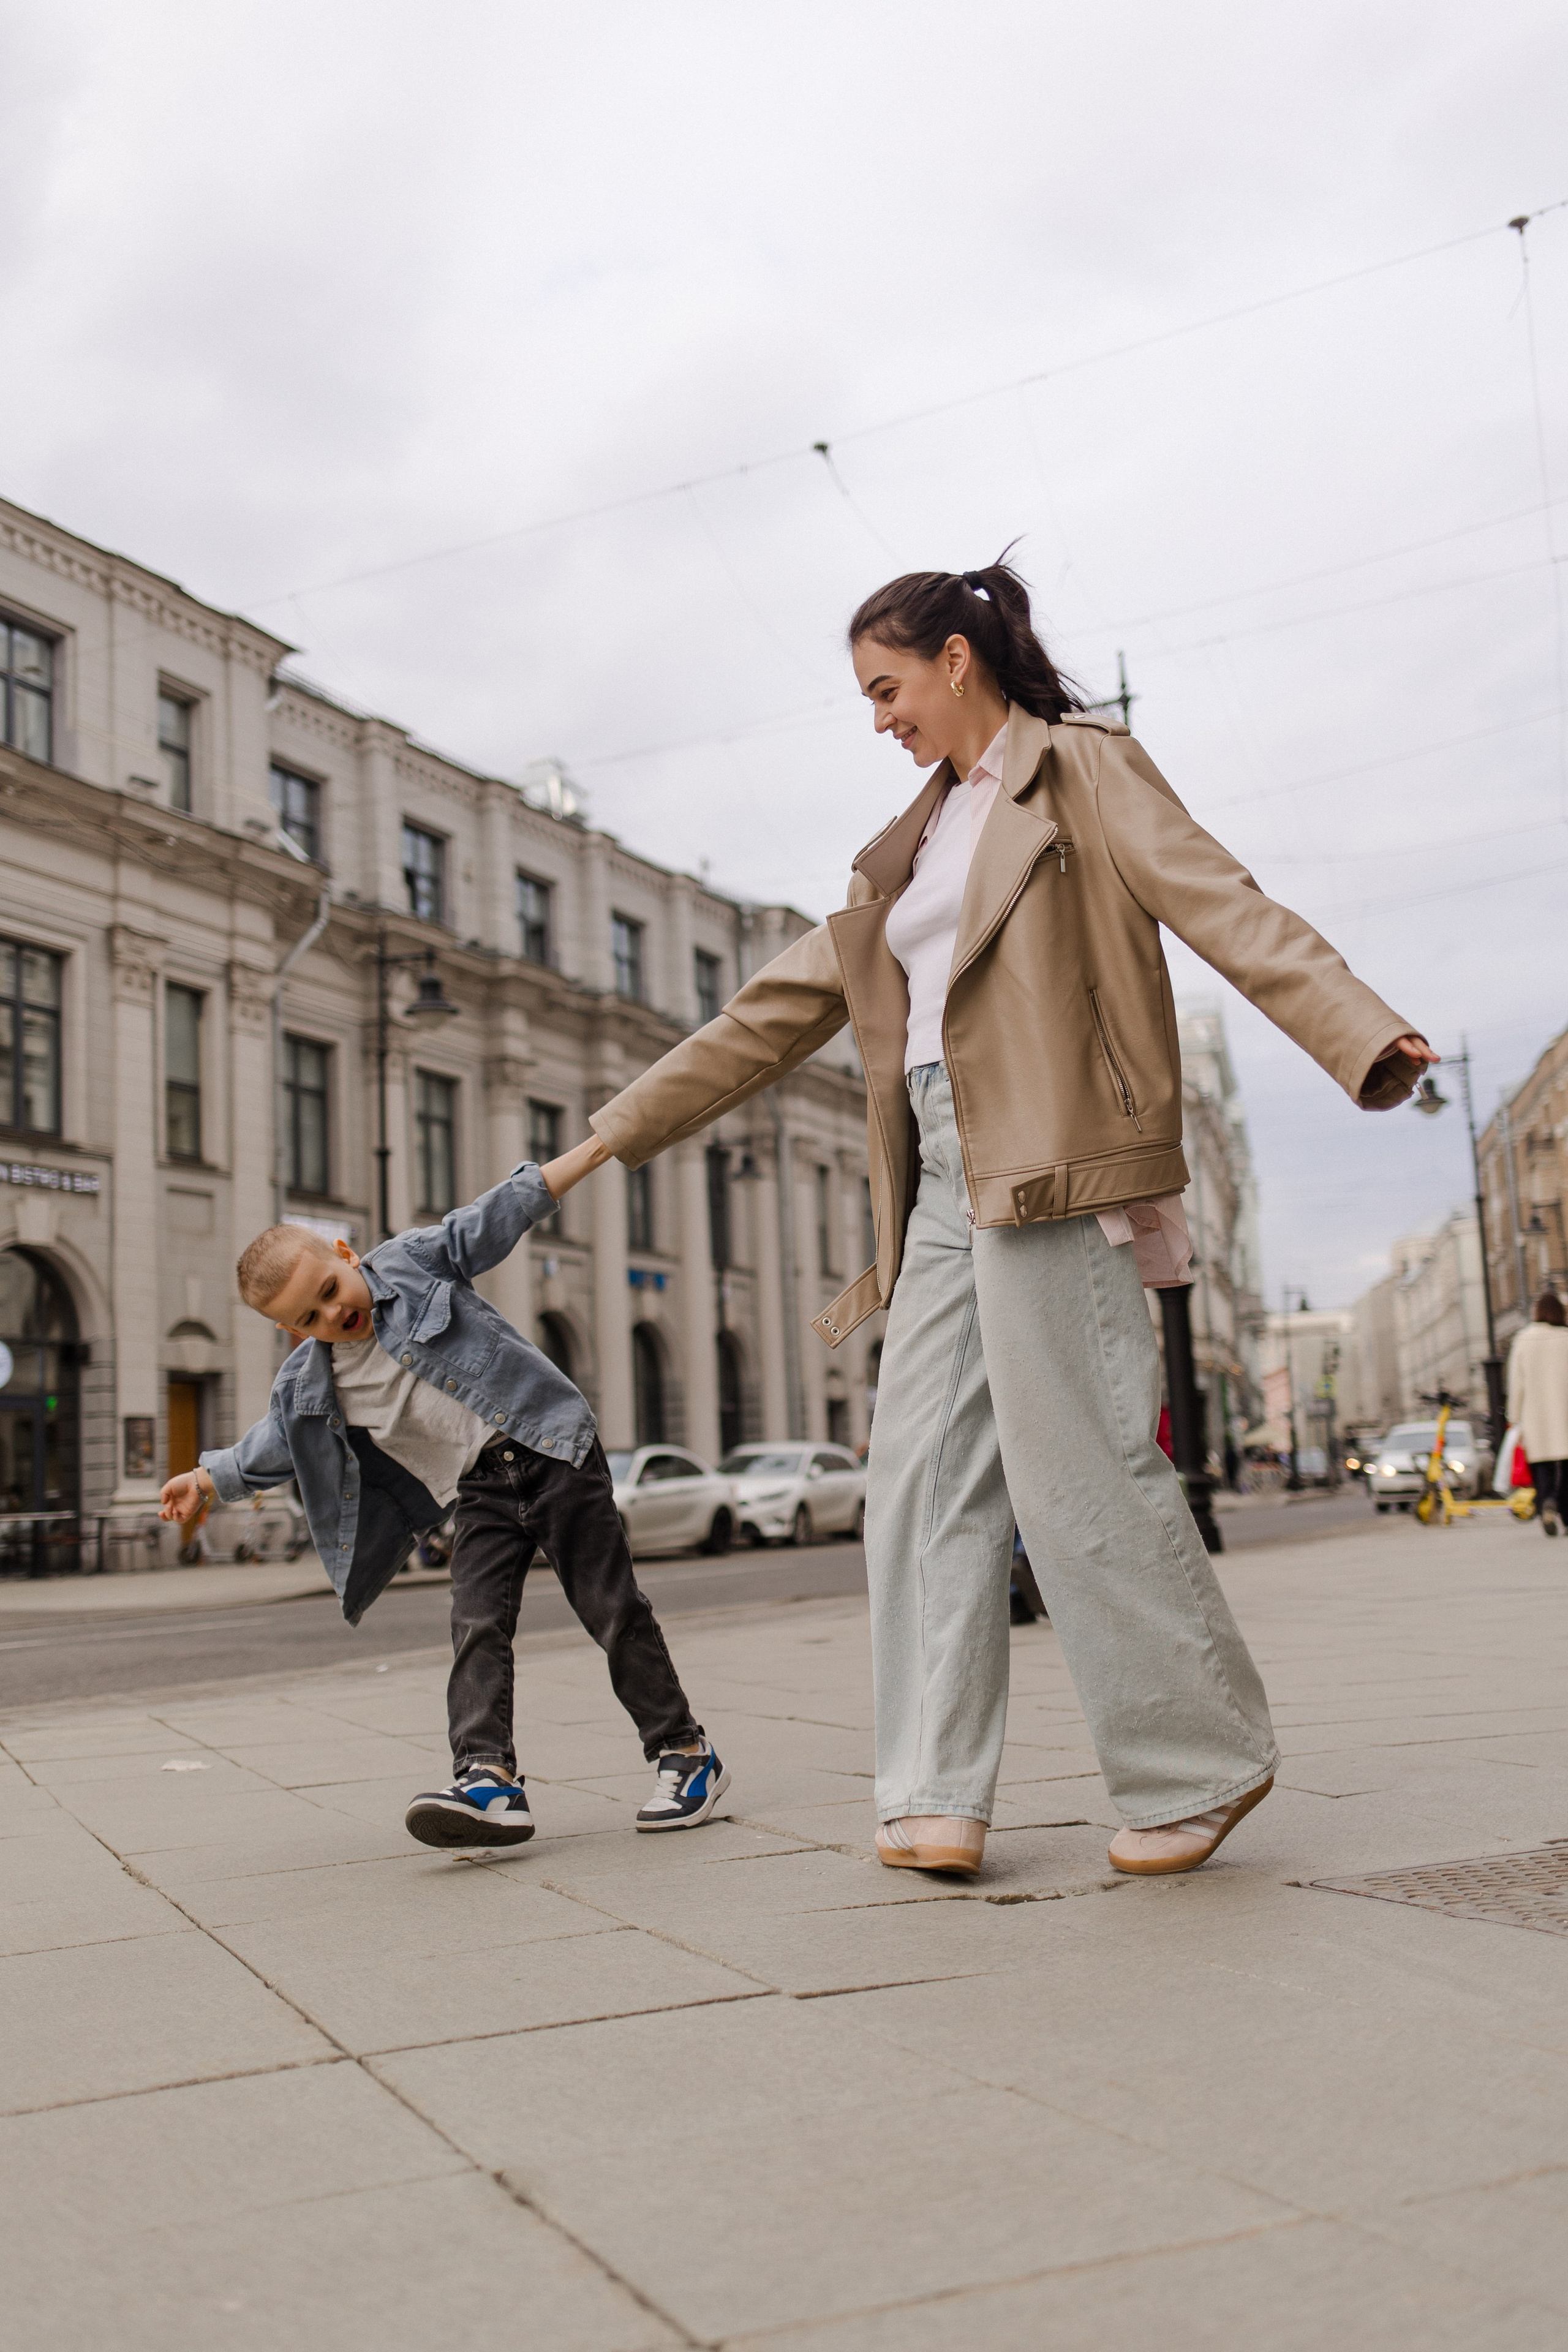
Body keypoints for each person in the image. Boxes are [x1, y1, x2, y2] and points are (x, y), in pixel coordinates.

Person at [540, 558, 1434, 1882]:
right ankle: (934, 1790)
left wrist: (1360, 1029)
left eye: (885, 687)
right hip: (940, 1185)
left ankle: (1195, 1765)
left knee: (1073, 1470)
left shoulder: (1079, 771)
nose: (878, 718)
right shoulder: (902, 849)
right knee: (913, 1484)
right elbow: (770, 1013)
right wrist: (598, 1142)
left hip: (1051, 1159)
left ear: (955, 662)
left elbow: (1218, 899)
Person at [159, 1163, 728, 1847]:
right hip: (478, 1489)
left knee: (611, 1608)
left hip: (549, 1447)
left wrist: (587, 1154)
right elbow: (271, 1445)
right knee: (476, 1622)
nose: (335, 1316)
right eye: (309, 1319)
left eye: (332, 1292)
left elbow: (486, 1222)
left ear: (345, 1256)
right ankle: (488, 1780)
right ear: (290, 1331)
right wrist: (207, 1478)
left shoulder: (408, 1265)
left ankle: (687, 1754)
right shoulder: (311, 1382)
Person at [1506, 1292, 1568, 1536]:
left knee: (1542, 1467)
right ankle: (1563, 1510)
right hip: (1564, 1412)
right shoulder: (1566, 1338)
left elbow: (1516, 1383)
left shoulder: (1523, 1340)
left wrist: (1513, 1418)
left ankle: (1546, 1504)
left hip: (1535, 1415)